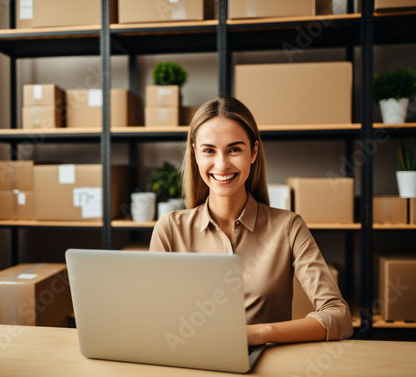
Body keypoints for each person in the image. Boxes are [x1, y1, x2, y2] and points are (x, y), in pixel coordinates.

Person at [149, 96, 353, 344]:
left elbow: (339, 317)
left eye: (234, 149)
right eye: (209, 151)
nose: (222, 164)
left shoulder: (288, 227)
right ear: (194, 154)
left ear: (253, 152)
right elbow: (154, 318)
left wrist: (258, 333)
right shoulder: (170, 229)